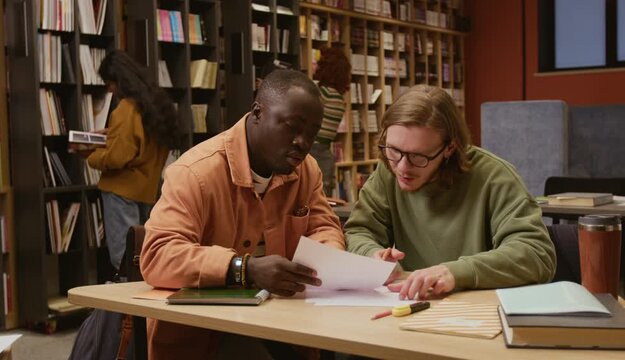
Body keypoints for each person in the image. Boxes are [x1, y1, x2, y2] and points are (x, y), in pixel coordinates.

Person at [140, 69, 345, 359]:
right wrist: (244, 268)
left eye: (312, 132)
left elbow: (324, 226)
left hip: (285, 321)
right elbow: (158, 256)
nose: (303, 141)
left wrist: (329, 258)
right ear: (258, 112)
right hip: (205, 335)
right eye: (292, 127)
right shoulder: (195, 172)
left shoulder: (306, 169)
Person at [344, 85, 556, 300]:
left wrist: (456, 272)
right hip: (412, 304)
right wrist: (372, 255)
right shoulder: (388, 171)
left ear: (450, 148)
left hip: (479, 309)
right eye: (393, 150)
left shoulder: (494, 177)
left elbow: (536, 254)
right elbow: (358, 232)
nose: (402, 167)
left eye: (418, 157)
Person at [75, 50, 185, 270]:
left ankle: (121, 303)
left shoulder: (126, 109)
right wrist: (112, 135)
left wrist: (89, 156)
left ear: (119, 80)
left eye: (110, 82)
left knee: (123, 258)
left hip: (121, 191)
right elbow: (139, 146)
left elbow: (118, 157)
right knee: (143, 255)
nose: (109, 89)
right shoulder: (155, 106)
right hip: (146, 190)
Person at [309, 46, 352, 196]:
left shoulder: (322, 93)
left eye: (319, 64)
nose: (315, 66)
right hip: (325, 156)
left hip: (310, 153)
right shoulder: (339, 98)